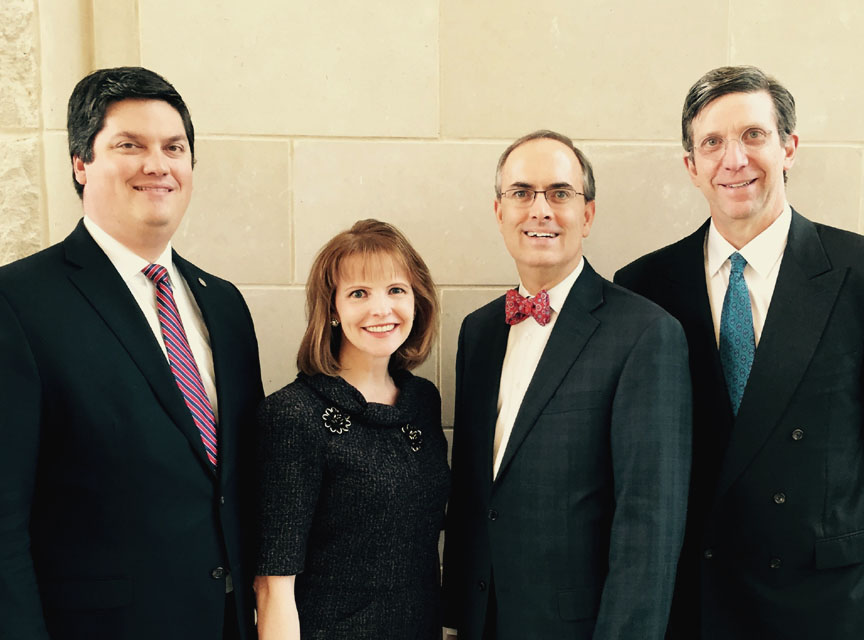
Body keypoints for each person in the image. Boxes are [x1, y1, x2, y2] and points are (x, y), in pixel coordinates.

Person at [0, 67, 263, 639]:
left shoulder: (225, 305)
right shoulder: (17, 304)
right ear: (80, 163)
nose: (157, 164)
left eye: (174, 147)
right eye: (129, 145)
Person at [615, 66, 864, 639]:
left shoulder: (855, 273)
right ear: (691, 166)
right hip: (694, 604)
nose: (734, 159)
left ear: (789, 148)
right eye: (712, 143)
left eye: (754, 135)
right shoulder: (642, 287)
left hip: (827, 603)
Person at [441, 130, 692, 640]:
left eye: (559, 193)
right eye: (522, 193)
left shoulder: (645, 333)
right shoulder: (479, 330)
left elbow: (650, 526)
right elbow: (475, 493)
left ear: (588, 214)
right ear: (499, 211)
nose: (541, 210)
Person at [254, 219, 450, 639]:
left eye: (396, 290)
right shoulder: (293, 414)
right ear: (332, 310)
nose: (382, 309)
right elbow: (273, 585)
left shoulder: (422, 402)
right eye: (359, 293)